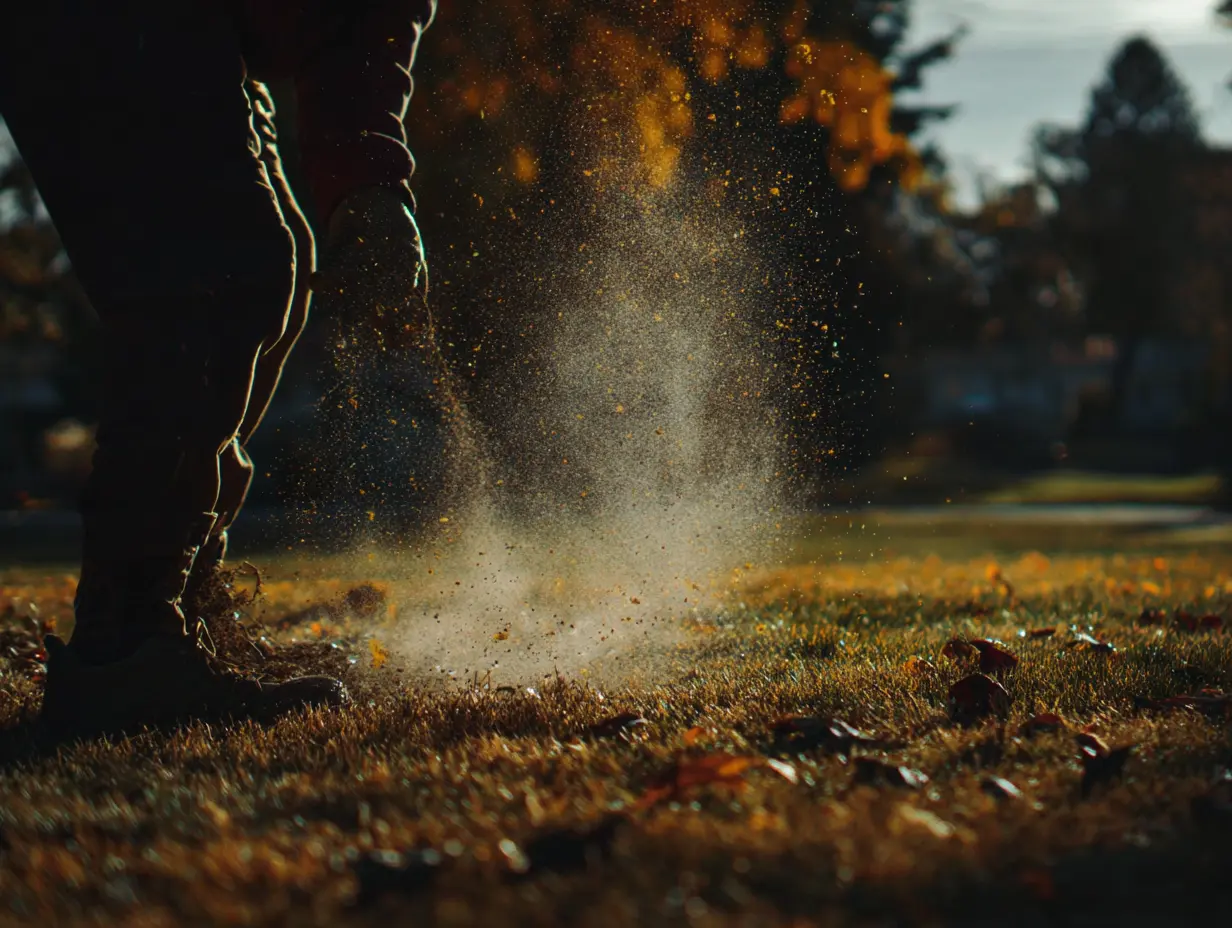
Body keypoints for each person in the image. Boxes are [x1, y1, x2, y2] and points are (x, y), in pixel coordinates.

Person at [0, 0, 437, 736]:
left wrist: (368, 185)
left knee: (275, 269)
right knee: (213, 278)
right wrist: (369, 179)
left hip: (197, 31)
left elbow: (357, 30)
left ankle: (179, 599)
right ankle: (128, 641)